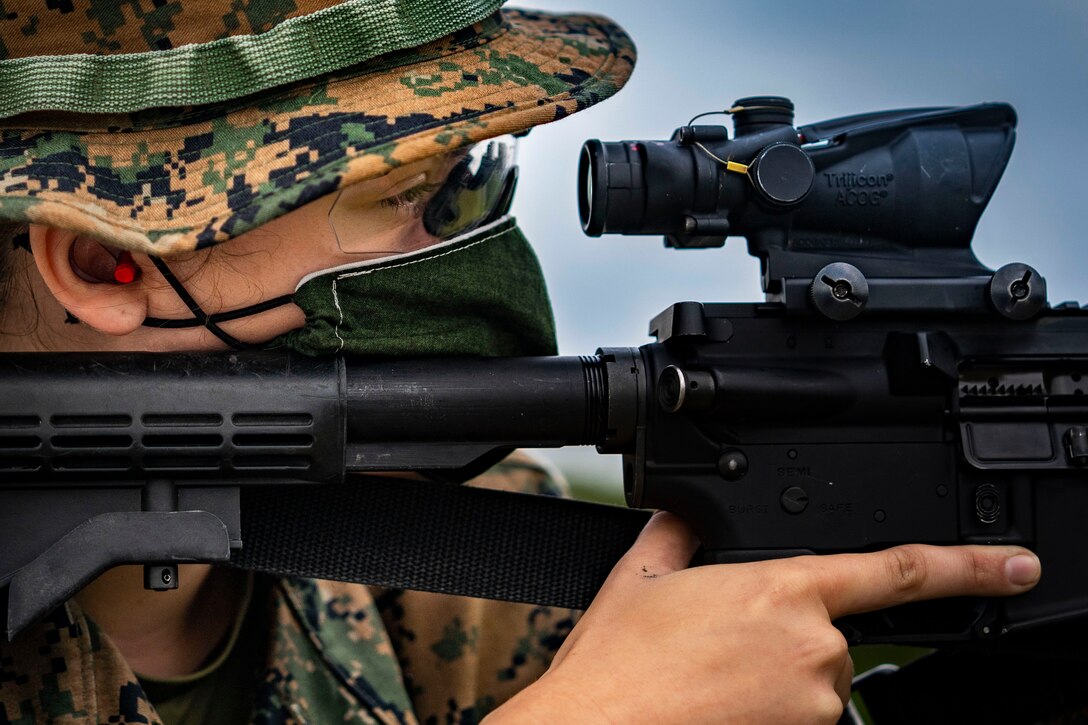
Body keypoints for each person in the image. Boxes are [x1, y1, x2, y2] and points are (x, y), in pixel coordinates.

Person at [0, 1, 1041, 723]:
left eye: (468, 188)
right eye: (400, 201)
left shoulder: (474, 572)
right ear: (107, 260)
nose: (469, 256)